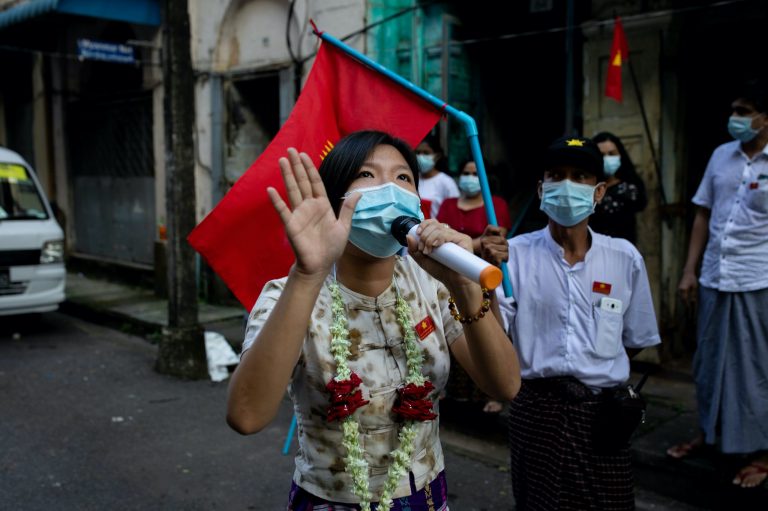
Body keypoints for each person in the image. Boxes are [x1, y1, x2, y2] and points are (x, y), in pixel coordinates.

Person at [226, 130, 520, 510]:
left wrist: (463, 286)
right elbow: (246, 416)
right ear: (334, 202)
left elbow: (506, 385)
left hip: (428, 495)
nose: (391, 190)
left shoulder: (432, 282)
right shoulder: (288, 292)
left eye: (403, 178)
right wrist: (307, 275)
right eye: (367, 175)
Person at [483, 136, 661, 510]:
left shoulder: (624, 257)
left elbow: (636, 337)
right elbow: (498, 334)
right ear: (541, 189)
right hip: (537, 410)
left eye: (579, 176)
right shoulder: (513, 255)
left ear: (598, 192)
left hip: (601, 416)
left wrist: (594, 367)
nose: (566, 185)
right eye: (556, 175)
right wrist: (485, 275)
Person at [669, 80, 768, 489]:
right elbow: (702, 217)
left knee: (754, 367)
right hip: (714, 274)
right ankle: (711, 435)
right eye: (734, 110)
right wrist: (690, 270)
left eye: (744, 111)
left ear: (764, 117)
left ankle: (761, 451)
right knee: (709, 362)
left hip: (757, 277)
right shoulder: (720, 156)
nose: (736, 119)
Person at [437, 160, 512, 413]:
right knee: (454, 329)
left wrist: (460, 245)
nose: (469, 177)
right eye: (465, 173)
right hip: (450, 276)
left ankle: (490, 392)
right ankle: (455, 390)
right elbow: (438, 240)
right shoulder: (448, 204)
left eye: (474, 174)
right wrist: (470, 245)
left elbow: (495, 240)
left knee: (486, 327)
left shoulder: (496, 205)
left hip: (485, 276)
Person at [590, 132, 647, 244]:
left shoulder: (630, 187)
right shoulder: (585, 188)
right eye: (601, 155)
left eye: (611, 154)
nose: (606, 159)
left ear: (620, 155)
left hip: (622, 250)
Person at [415, 134, 459, 219]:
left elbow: (454, 214)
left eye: (426, 153)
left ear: (437, 156)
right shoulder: (412, 178)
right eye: (418, 153)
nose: (420, 156)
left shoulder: (446, 182)